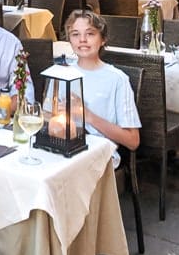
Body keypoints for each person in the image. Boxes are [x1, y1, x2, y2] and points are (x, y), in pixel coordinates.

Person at [46, 10, 140, 167]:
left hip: (98, 156)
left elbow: (133, 141)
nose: (82, 40)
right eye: (75, 34)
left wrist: (87, 116)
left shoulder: (117, 79)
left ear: (103, 39)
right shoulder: (61, 73)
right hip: (61, 150)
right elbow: (47, 118)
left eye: (90, 34)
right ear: (69, 40)